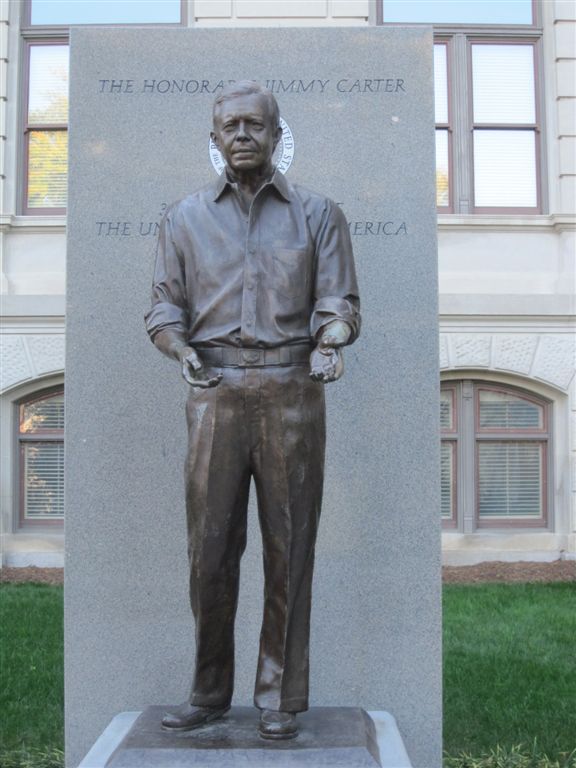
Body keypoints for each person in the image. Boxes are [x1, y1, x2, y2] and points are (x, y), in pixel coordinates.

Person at [145, 81, 360, 740]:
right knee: (209, 554)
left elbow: (340, 303)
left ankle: (281, 698)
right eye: (230, 126)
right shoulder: (182, 220)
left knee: (289, 552)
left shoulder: (319, 215)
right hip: (213, 397)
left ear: (276, 135)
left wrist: (333, 340)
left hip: (294, 392)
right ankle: (209, 691)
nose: (242, 135)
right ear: (214, 139)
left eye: (255, 125)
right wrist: (177, 348)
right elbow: (162, 307)